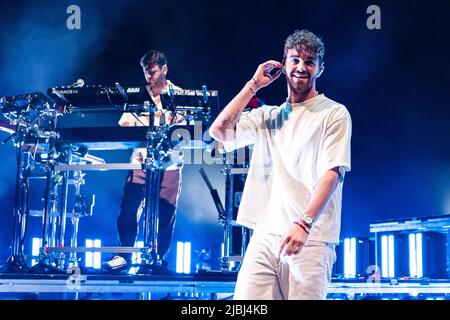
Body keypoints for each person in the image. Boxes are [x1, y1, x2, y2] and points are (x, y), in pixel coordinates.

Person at [209, 29, 352, 299]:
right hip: (265, 235)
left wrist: (304, 223)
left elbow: (332, 173)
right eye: (295, 60)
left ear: (320, 69)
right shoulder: (267, 116)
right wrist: (253, 85)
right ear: (283, 65)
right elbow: (220, 131)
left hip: (310, 239)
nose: (301, 67)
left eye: (309, 62)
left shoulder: (334, 112)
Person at [103, 50, 183, 271]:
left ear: (164, 69)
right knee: (129, 208)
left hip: (170, 163)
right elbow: (124, 127)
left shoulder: (180, 95)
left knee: (166, 212)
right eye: (146, 72)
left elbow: (189, 130)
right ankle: (124, 256)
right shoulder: (137, 96)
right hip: (140, 161)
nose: (149, 76)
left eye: (153, 72)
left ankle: (157, 259)